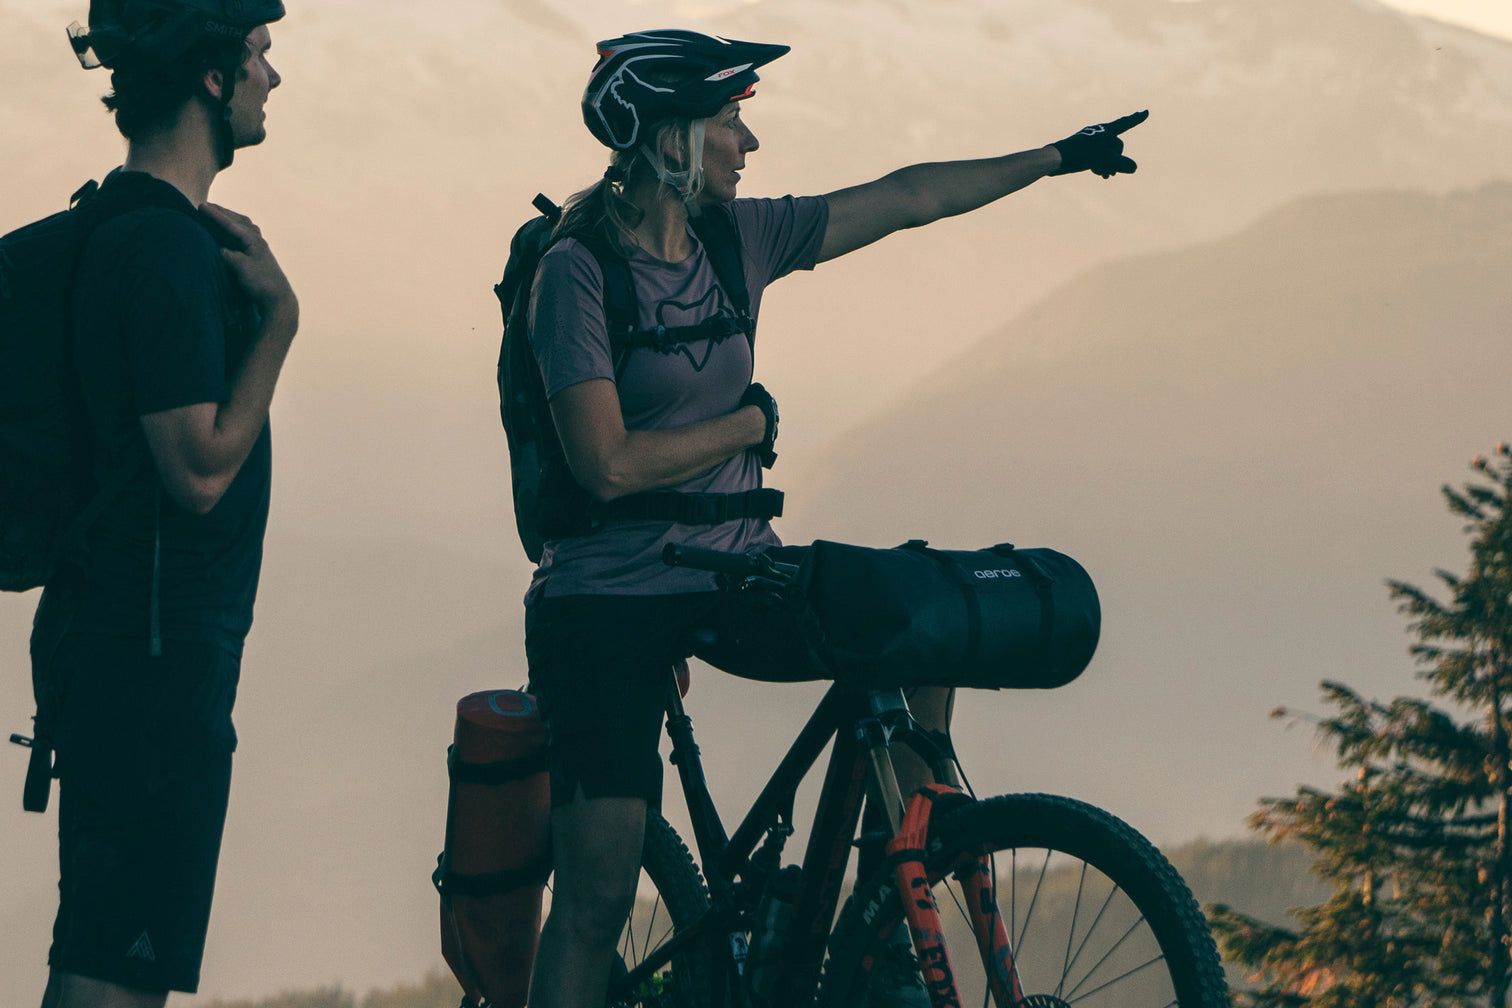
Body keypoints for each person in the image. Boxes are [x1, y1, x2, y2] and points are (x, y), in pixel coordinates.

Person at [522, 28, 1146, 1008]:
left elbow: (905, 198)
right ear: (668, 137)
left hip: (735, 570)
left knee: (919, 619)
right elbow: (603, 466)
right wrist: (746, 422)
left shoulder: (743, 236)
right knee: (595, 900)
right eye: (731, 121)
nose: (749, 144)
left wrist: (1058, 155)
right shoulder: (577, 273)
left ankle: (893, 912)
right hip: (605, 598)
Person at [33, 2, 296, 1006]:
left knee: (112, 958)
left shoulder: (132, 225)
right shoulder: (163, 248)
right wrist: (280, 321)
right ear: (212, 80)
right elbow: (197, 470)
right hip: (147, 666)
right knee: (110, 973)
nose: (274, 76)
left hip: (127, 649)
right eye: (260, 55)